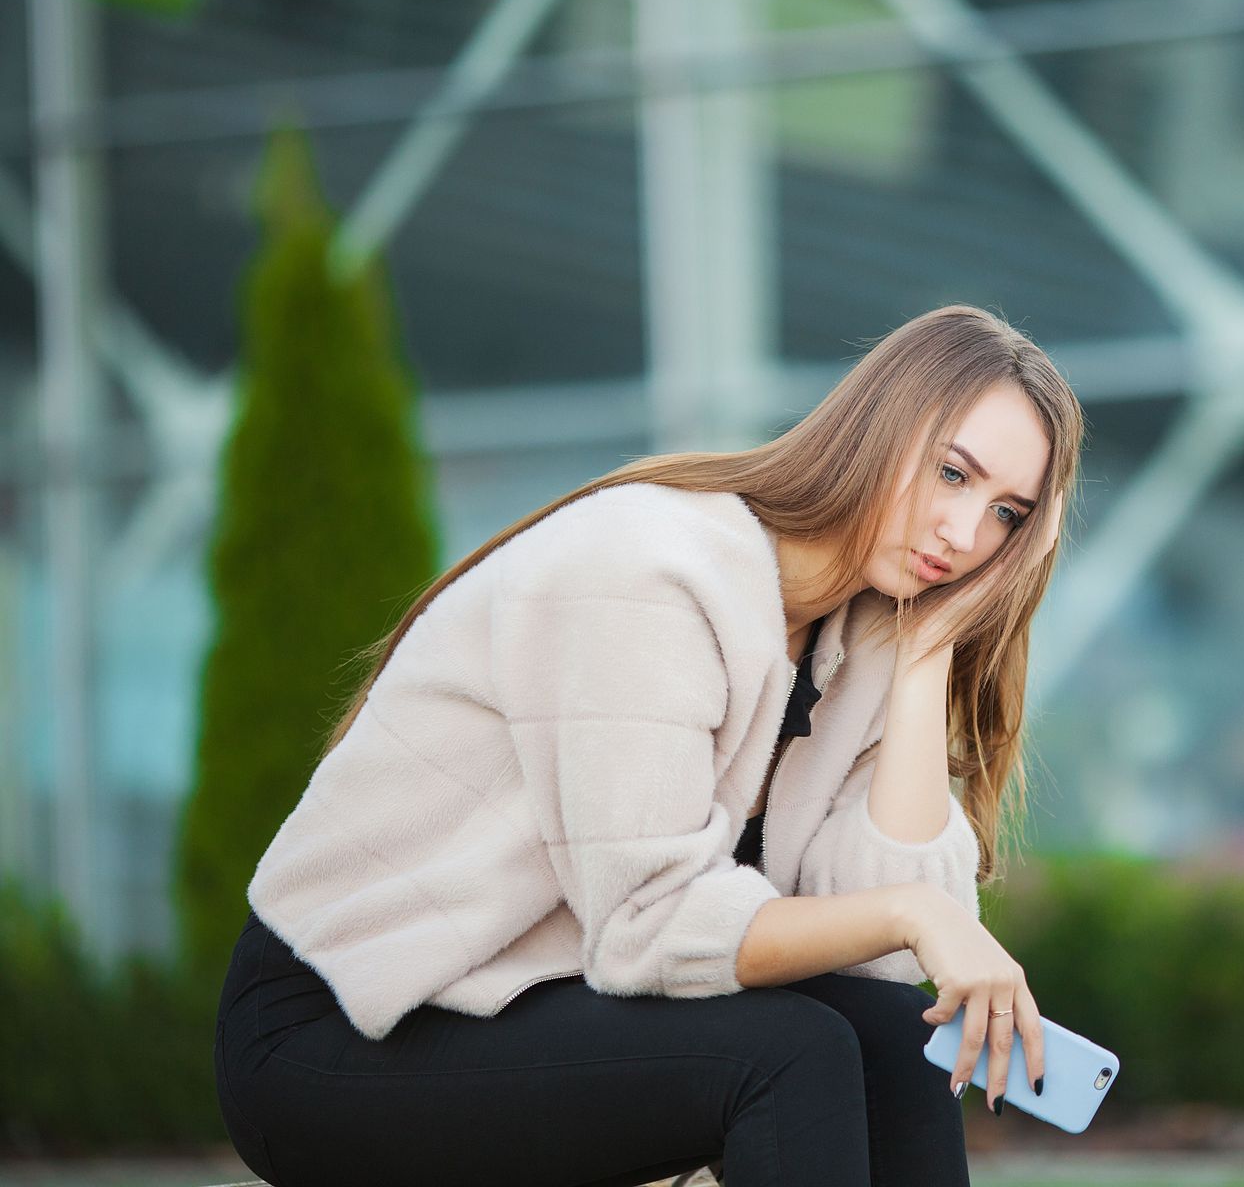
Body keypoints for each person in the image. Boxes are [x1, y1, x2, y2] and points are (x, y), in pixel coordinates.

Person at [212, 304, 1084, 1187]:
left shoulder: (865, 640)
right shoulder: (650, 569)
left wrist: (928, 652)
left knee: (897, 1041)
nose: (964, 535)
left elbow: (883, 964)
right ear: (879, 426)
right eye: (950, 473)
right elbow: (654, 932)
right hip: (340, 1028)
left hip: (532, 1002)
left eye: (1007, 515)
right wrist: (921, 914)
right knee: (789, 1053)